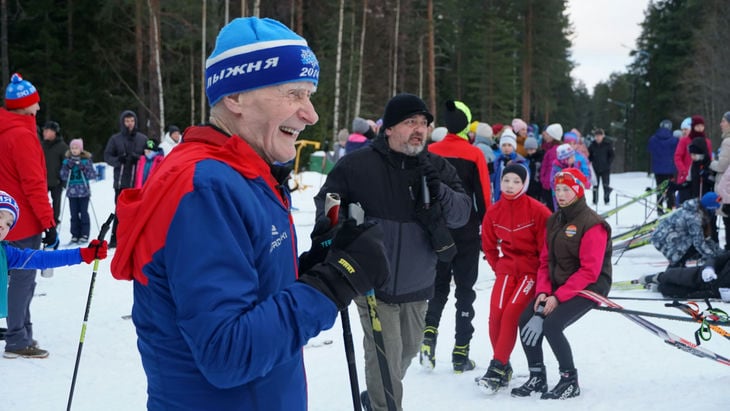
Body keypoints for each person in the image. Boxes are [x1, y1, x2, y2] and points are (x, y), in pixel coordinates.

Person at [109, 17, 389, 410]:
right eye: (294, 94)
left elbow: (253, 296)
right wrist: (334, 282)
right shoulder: (204, 187)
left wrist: (317, 266)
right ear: (235, 96)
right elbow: (227, 352)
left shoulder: (245, 173)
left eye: (309, 95)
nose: (311, 114)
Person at [313, 93, 471, 411]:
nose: (419, 129)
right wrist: (337, 229)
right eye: (409, 122)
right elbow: (328, 200)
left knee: (407, 351)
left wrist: (439, 191)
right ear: (388, 128)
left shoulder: (436, 167)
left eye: (423, 123)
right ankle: (382, 403)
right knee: (384, 361)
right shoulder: (358, 165)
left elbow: (462, 213)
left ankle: (374, 398)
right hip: (372, 284)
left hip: (418, 282)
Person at [511, 168, 612, 400]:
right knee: (526, 319)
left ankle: (569, 380)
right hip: (558, 284)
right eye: (557, 189)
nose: (561, 194)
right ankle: (537, 377)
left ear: (578, 190)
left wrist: (558, 297)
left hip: (590, 286)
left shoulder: (593, 224)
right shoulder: (555, 220)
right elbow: (545, 261)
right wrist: (544, 292)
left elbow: (590, 271)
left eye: (566, 189)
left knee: (552, 324)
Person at [421, 100, 491, 373]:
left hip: (436, 231)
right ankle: (461, 353)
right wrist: (489, 231)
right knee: (465, 290)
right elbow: (484, 197)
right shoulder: (474, 154)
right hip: (466, 231)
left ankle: (428, 340)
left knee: (437, 287)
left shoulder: (430, 151)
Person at [0, 190, 108, 357]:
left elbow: (41, 258)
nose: (3, 225)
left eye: (9, 223)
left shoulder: (6, 253)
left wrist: (83, 254)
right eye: (0, 215)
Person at [478, 163, 551, 393]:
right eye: (506, 180)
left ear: (524, 184)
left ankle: (496, 367)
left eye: (516, 182)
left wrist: (543, 278)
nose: (510, 186)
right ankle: (504, 366)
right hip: (507, 269)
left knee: (511, 314)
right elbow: (488, 246)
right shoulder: (494, 211)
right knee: (495, 316)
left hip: (530, 270)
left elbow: (547, 251)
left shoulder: (538, 210)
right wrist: (499, 266)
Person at [0, 73, 58, 358]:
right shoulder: (22, 136)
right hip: (22, 220)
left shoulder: (8, 130)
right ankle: (16, 340)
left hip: (9, 217)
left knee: (22, 279)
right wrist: (48, 222)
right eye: (35, 103)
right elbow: (34, 184)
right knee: (23, 279)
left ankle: (22, 331)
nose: (38, 107)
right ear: (24, 106)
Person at [104, 109, 147, 247]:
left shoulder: (142, 138)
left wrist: (140, 158)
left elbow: (151, 155)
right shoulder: (115, 139)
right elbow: (107, 156)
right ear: (123, 122)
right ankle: (115, 238)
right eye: (127, 121)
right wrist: (118, 160)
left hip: (138, 182)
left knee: (137, 211)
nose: (130, 124)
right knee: (119, 211)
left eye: (132, 120)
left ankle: (136, 238)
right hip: (121, 181)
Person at [651, 192, 721, 268]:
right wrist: (713, 257)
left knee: (697, 244)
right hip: (663, 239)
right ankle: (676, 268)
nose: (715, 212)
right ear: (709, 208)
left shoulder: (694, 209)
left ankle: (678, 266)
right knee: (692, 246)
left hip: (667, 236)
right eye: (714, 209)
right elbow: (698, 243)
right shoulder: (694, 217)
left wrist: (717, 252)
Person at [641, 249, 730, 299]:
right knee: (672, 275)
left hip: (712, 293)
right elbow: (716, 259)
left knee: (672, 291)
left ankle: (659, 287)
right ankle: (655, 278)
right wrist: (709, 268)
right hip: (700, 275)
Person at [59, 138, 97, 244]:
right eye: (72, 148)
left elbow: (92, 175)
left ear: (81, 149)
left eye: (76, 148)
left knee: (84, 213)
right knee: (74, 214)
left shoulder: (86, 160)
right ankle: (75, 234)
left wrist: (83, 167)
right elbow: (63, 176)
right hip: (72, 192)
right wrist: (68, 167)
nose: (74, 150)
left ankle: (85, 234)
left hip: (83, 192)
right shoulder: (67, 161)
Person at [647, 119, 679, 213]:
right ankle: (669, 208)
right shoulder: (674, 140)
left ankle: (659, 208)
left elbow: (649, 149)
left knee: (659, 188)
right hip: (670, 168)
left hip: (657, 169)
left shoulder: (653, 139)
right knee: (669, 188)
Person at [41, 120, 68, 224]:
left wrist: (63, 180)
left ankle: (54, 221)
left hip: (57, 181)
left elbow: (66, 164)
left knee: (56, 203)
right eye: (44, 130)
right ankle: (43, 220)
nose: (44, 133)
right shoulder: (41, 145)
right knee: (42, 202)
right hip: (42, 180)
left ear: (54, 132)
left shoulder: (62, 146)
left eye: (47, 130)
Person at [710, 111, 730, 249]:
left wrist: (710, 162)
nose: (721, 124)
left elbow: (722, 165)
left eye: (724, 121)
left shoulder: (727, 142)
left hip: (726, 188)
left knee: (727, 222)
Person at [492, 127, 526, 201]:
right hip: (498, 194)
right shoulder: (498, 161)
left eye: (509, 145)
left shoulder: (519, 161)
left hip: (514, 195)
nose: (506, 148)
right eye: (504, 145)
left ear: (513, 147)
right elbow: (494, 178)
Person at [539, 123, 563, 211]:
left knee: (551, 207)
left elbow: (551, 168)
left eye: (548, 134)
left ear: (553, 136)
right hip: (549, 183)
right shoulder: (549, 148)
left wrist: (545, 180)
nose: (546, 136)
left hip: (550, 185)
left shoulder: (555, 150)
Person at [588, 128, 614, 205]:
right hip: (595, 168)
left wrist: (608, 163)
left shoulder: (607, 144)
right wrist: (590, 161)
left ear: (603, 136)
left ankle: (607, 200)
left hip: (605, 169)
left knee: (606, 185)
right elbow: (589, 155)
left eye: (599, 136)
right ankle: (594, 201)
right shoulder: (592, 145)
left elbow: (612, 155)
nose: (598, 137)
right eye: (596, 136)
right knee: (595, 185)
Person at [523, 136, 544, 202]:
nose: (530, 152)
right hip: (529, 185)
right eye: (527, 150)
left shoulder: (541, 158)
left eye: (531, 149)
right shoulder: (526, 159)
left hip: (538, 185)